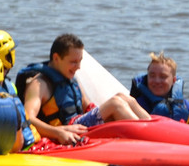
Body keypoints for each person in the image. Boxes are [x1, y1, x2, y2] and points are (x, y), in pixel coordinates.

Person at [17, 34, 150, 145]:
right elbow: (28, 118)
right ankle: (148, 140)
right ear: (56, 58)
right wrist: (58, 132)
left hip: (81, 124)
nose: (78, 67)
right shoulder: (40, 84)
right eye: (74, 62)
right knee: (115, 103)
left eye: (80, 61)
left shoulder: (70, 78)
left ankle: (153, 128)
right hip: (66, 129)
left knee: (123, 97)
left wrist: (106, 116)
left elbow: (87, 105)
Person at [130, 53, 189, 126]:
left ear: (173, 81)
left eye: (163, 76)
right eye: (152, 76)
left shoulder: (184, 105)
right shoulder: (139, 103)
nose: (157, 81)